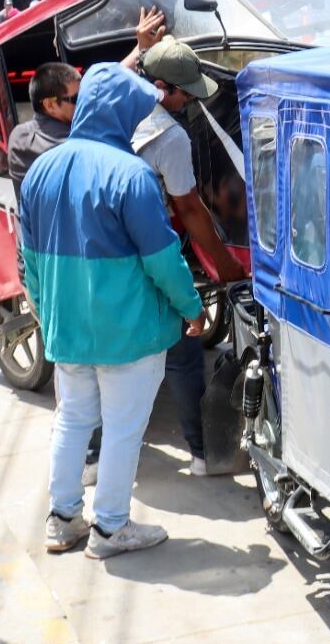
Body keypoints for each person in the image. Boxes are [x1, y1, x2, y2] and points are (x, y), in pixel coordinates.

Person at [20, 63, 205, 559]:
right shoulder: (132, 174)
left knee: (72, 420)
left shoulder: (41, 170)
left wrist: (48, 315)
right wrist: (192, 308)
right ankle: (110, 529)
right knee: (123, 428)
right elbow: (162, 259)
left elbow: (30, 264)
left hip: (68, 329)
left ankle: (62, 520)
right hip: (129, 332)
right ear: (121, 114)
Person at [133, 31, 244, 476]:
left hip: (105, 248)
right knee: (183, 352)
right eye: (185, 94)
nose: (190, 102)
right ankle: (203, 453)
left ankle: (93, 455)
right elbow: (190, 209)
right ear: (162, 88)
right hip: (150, 248)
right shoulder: (171, 136)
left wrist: (139, 47)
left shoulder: (117, 111)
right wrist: (226, 264)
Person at [8, 63, 81, 200]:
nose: (83, 102)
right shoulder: (71, 142)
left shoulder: (19, 135)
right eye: (76, 99)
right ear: (50, 105)